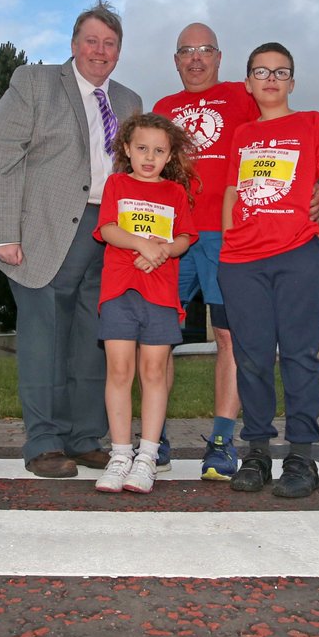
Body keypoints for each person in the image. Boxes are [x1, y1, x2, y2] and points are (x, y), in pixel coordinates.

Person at [0, 1, 142, 478]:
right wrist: (5, 233)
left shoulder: (131, 101)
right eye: (91, 41)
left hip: (110, 234)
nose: (100, 51)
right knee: (44, 341)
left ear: (119, 52)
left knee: (96, 340)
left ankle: (83, 436)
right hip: (43, 234)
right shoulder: (33, 83)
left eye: (110, 44)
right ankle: (45, 442)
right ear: (74, 45)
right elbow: (1, 156)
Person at [219, 42, 319, 499]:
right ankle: (256, 452)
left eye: (280, 71)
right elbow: (234, 192)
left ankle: (302, 456)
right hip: (241, 262)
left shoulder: (312, 123)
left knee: (298, 356)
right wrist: (230, 241)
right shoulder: (243, 134)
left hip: (298, 256)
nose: (271, 79)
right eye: (261, 71)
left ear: (292, 82)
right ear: (249, 82)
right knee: (250, 358)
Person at [152, 22, 259, 481]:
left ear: (219, 56)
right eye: (186, 51)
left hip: (225, 233)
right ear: (175, 61)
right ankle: (153, 438)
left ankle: (221, 441)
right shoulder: (163, 109)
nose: (195, 58)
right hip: (169, 237)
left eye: (205, 50)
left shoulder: (242, 96)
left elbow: (278, 141)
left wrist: (313, 187)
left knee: (229, 337)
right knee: (155, 337)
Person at [93, 114, 198, 494]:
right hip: (120, 291)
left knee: (154, 374)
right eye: (141, 149)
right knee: (119, 372)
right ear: (126, 149)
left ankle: (148, 457)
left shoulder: (175, 194)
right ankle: (120, 455)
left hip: (161, 295)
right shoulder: (117, 184)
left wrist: (163, 251)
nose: (149, 157)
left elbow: (185, 238)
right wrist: (143, 244)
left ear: (169, 155)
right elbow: (107, 229)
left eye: (158, 150)